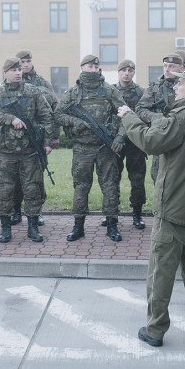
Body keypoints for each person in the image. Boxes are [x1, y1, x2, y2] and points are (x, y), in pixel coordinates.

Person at [118, 67, 185, 348]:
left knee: (161, 271)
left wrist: (127, 116)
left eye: (180, 84)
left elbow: (150, 142)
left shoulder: (182, 118)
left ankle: (155, 330)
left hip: (174, 208)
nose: (174, 87)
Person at [0, 57, 55, 243]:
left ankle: (32, 226)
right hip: (6, 152)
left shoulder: (33, 92)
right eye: (13, 70)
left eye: (19, 69)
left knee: (32, 189)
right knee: (5, 190)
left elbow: (46, 116)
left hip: (30, 151)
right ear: (5, 73)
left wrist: (47, 142)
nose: (18, 72)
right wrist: (9, 119)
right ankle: (6, 228)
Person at [55, 54, 127, 242]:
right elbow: (58, 114)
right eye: (90, 67)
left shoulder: (109, 91)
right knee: (81, 187)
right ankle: (78, 226)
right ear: (82, 68)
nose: (94, 70)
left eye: (96, 67)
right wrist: (77, 122)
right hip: (82, 149)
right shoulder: (73, 93)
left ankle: (112, 225)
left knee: (110, 187)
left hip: (106, 148)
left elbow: (125, 115)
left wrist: (119, 137)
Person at [12, 49, 59, 226]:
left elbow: (53, 112)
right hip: (13, 142)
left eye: (28, 61)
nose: (25, 65)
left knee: (36, 179)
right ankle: (16, 210)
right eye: (21, 62)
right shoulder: (8, 83)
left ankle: (36, 211)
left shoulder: (42, 83)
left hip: (36, 141)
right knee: (14, 178)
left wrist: (52, 139)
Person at [135, 53, 185, 183]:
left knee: (182, 177)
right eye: (165, 66)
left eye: (172, 66)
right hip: (162, 137)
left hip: (184, 137)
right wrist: (156, 117)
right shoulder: (154, 88)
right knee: (158, 177)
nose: (167, 69)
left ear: (181, 68)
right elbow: (140, 109)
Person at [114, 59, 148, 229]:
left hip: (136, 142)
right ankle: (112, 213)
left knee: (137, 178)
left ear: (134, 72)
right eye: (123, 70)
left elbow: (143, 115)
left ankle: (137, 213)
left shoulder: (142, 93)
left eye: (130, 70)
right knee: (113, 178)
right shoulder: (111, 91)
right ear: (118, 72)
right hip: (115, 143)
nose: (127, 73)